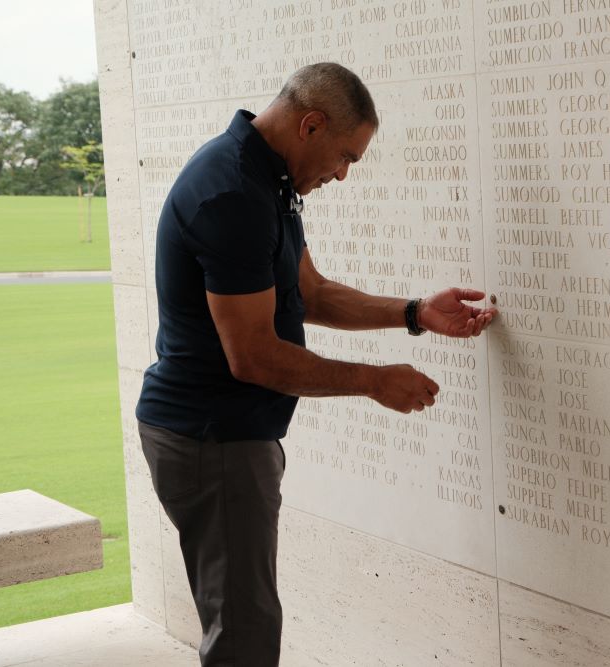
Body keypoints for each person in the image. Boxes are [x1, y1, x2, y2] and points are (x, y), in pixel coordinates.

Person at [135, 63, 497, 666]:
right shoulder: (230, 192)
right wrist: (373, 381)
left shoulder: (267, 181)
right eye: (345, 155)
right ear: (311, 124)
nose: (343, 174)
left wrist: (415, 313)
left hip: (228, 437)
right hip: (211, 439)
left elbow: (312, 294)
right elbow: (251, 357)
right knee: (244, 639)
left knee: (247, 624)